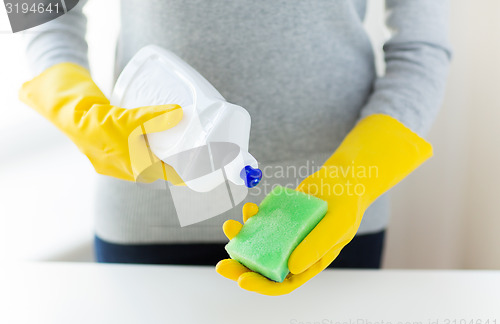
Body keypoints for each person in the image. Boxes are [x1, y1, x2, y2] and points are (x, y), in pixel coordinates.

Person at [20, 0, 451, 295]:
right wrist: (72, 101)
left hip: (329, 219)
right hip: (148, 212)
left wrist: (354, 179)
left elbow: (422, 47)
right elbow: (39, 8)